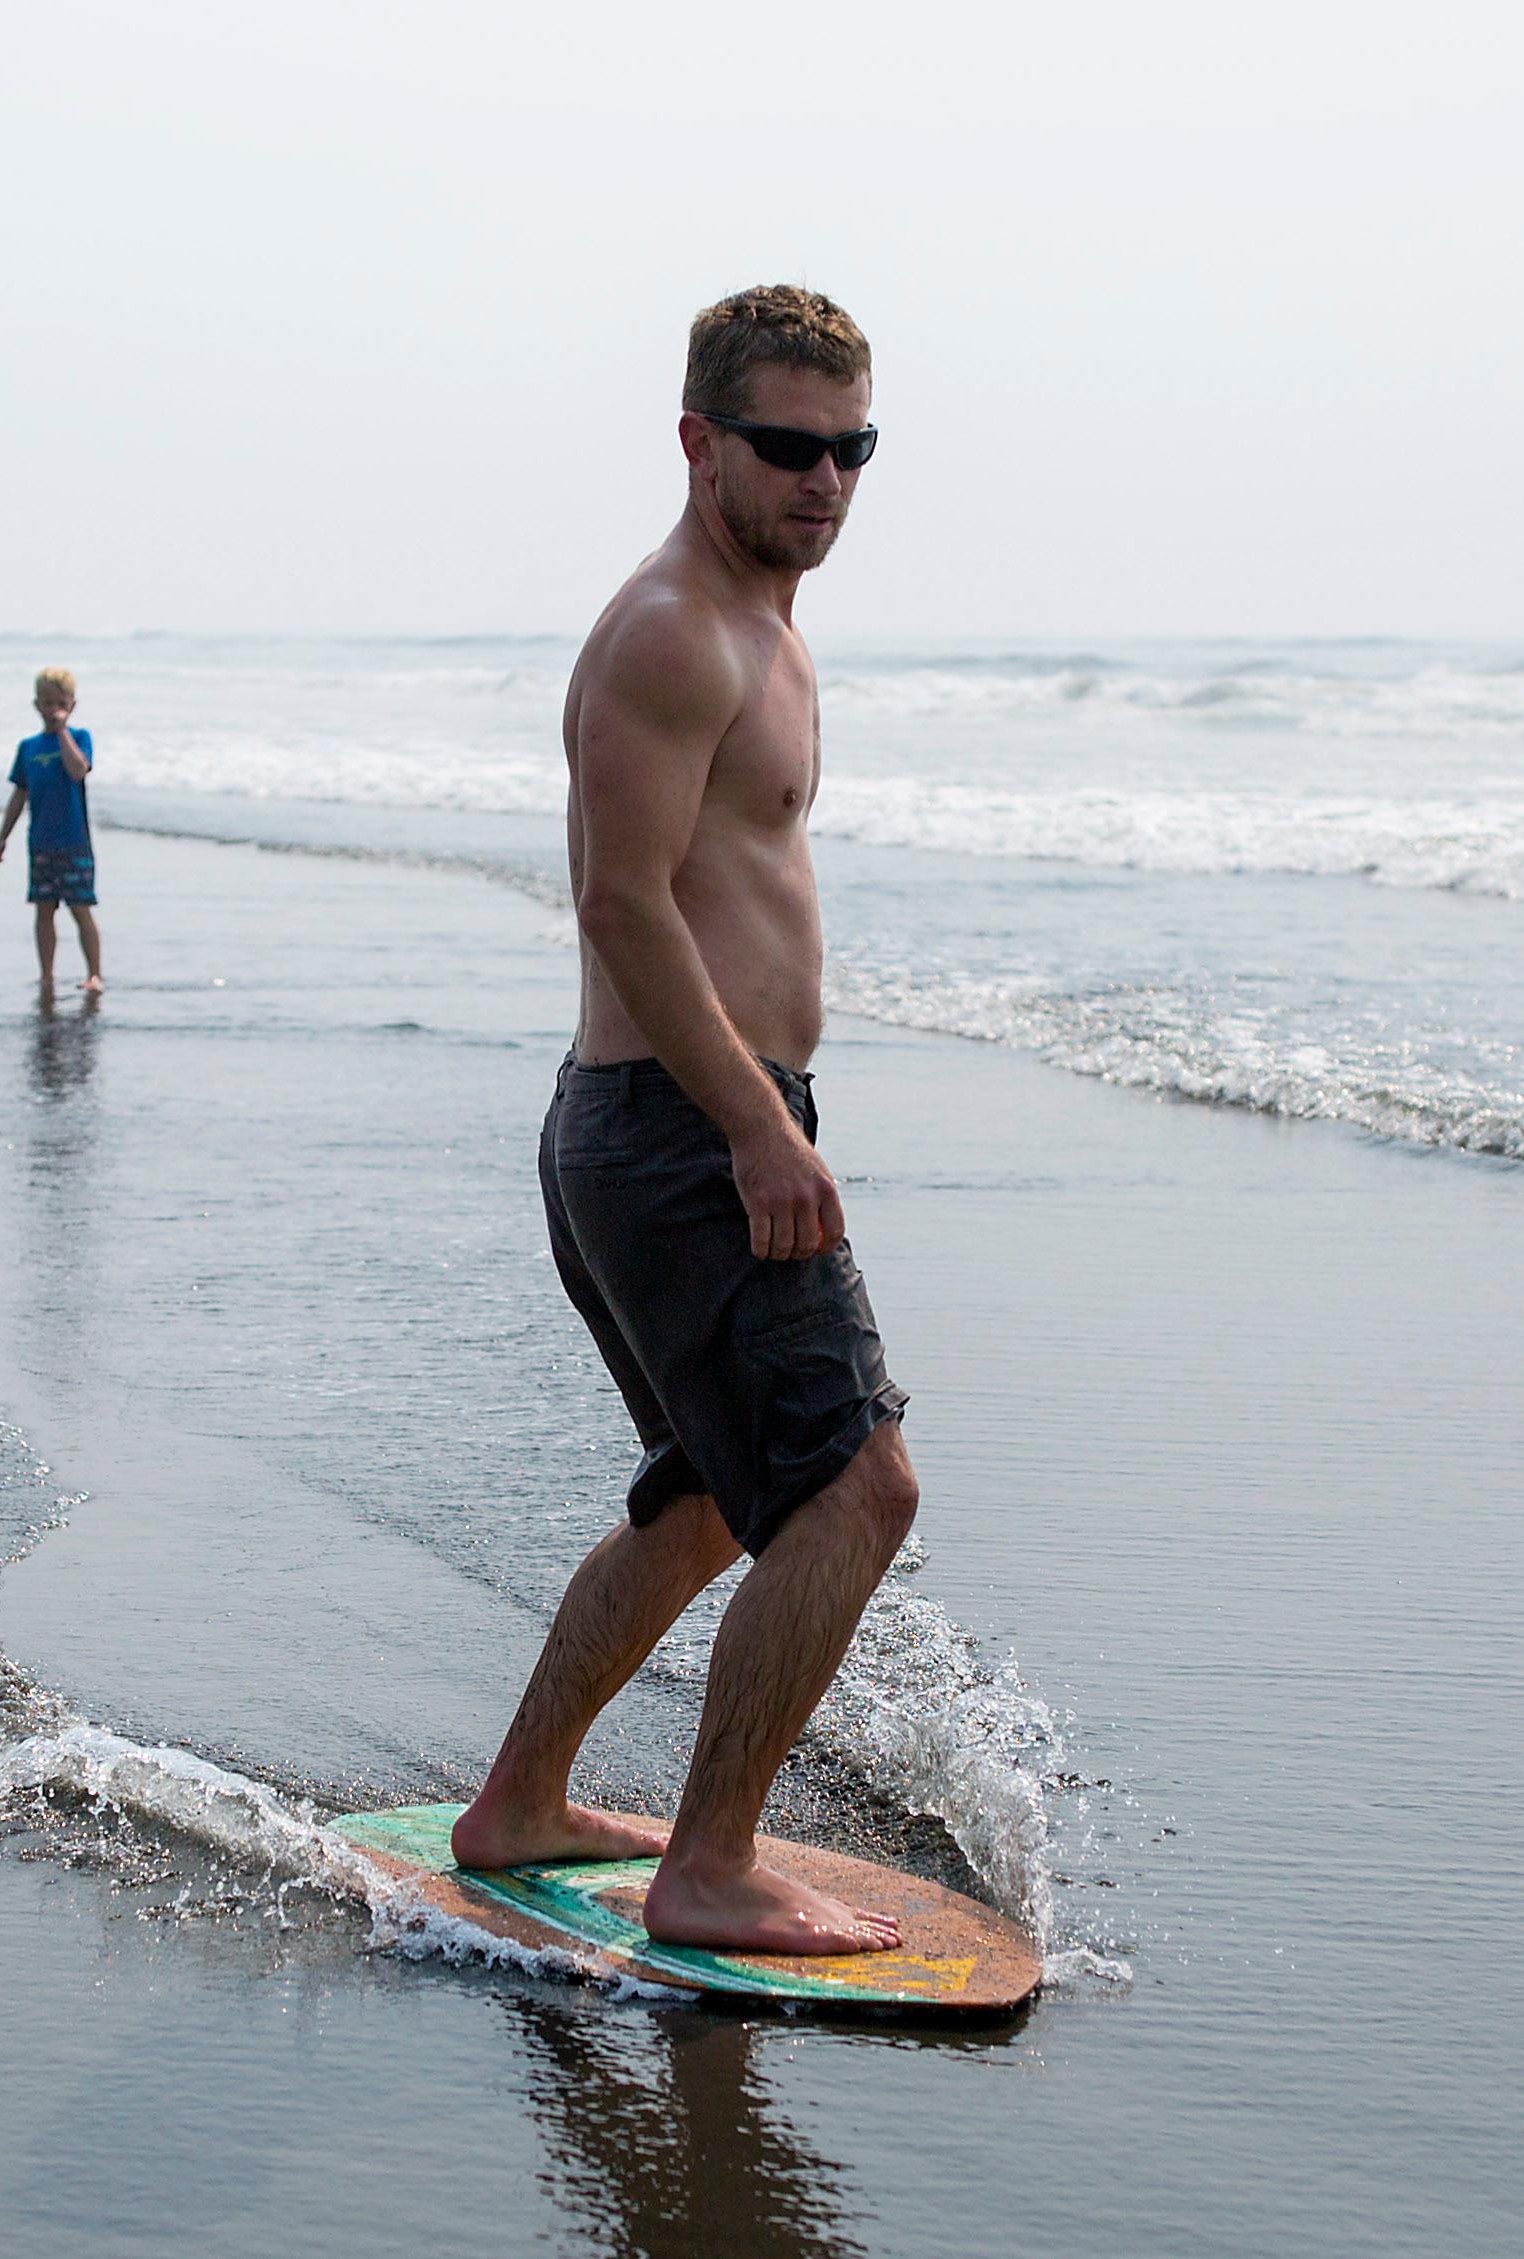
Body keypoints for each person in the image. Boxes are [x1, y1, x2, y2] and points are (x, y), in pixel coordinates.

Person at [448, 286, 919, 1954]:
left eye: (853, 447)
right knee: (857, 1491)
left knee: (716, 1491)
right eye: (790, 446)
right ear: (698, 439)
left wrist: (764, 1107)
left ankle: (520, 1799)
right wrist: (753, 1127)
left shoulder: (765, 623)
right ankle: (709, 1863)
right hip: (680, 1124)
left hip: (684, 1118)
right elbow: (622, 902)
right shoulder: (668, 627)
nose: (826, 480)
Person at [0, 667, 104, 995]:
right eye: (47, 702)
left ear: (72, 705)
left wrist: (63, 730)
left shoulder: (80, 738)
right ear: (36, 704)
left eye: (60, 703)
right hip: (40, 842)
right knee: (43, 911)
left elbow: (78, 770)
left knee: (81, 909)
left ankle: (94, 973)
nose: (53, 709)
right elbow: (19, 795)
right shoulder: (28, 747)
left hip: (74, 842)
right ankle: (47, 975)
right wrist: (1, 839)